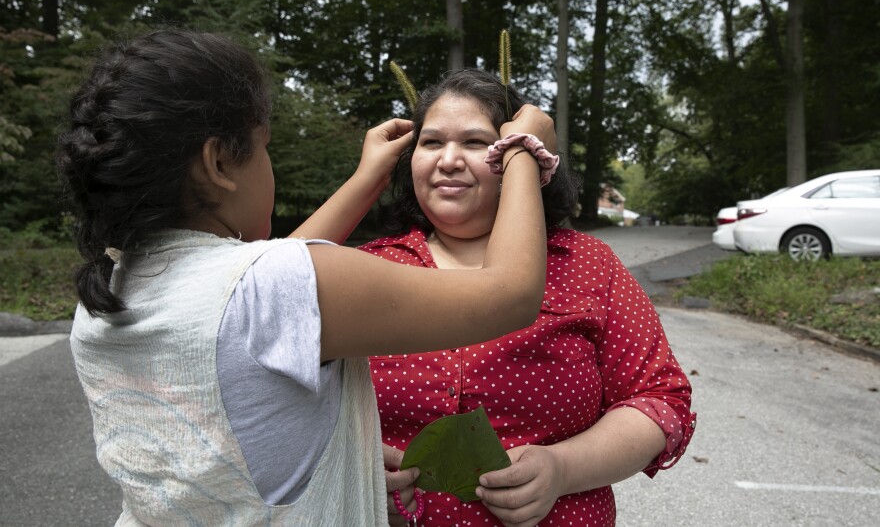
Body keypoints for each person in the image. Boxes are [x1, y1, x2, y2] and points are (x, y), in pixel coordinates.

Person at [55, 30, 558, 526]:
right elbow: (511, 293)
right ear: (219, 162)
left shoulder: (108, 297)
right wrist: (521, 148)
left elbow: (266, 281)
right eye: (264, 147)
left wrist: (366, 181)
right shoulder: (272, 288)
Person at [362, 69, 697, 527]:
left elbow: (660, 399)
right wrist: (351, 466)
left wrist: (562, 468)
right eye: (433, 142)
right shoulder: (366, 269)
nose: (449, 160)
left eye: (477, 143)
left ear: (520, 154)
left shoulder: (589, 265)